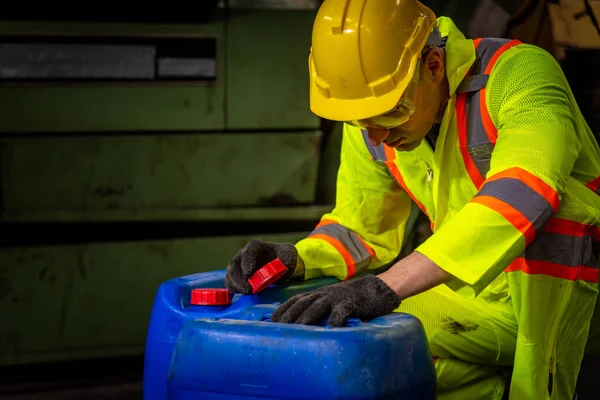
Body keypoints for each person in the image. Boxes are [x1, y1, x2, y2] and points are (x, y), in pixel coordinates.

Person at [224, 0, 600, 398]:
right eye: (359, 122)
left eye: (390, 112)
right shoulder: (372, 119)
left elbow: (524, 195)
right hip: (472, 295)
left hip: (567, 296)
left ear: (434, 66)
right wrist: (298, 259)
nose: (377, 136)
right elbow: (360, 229)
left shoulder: (520, 73)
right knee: (372, 348)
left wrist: (385, 287)